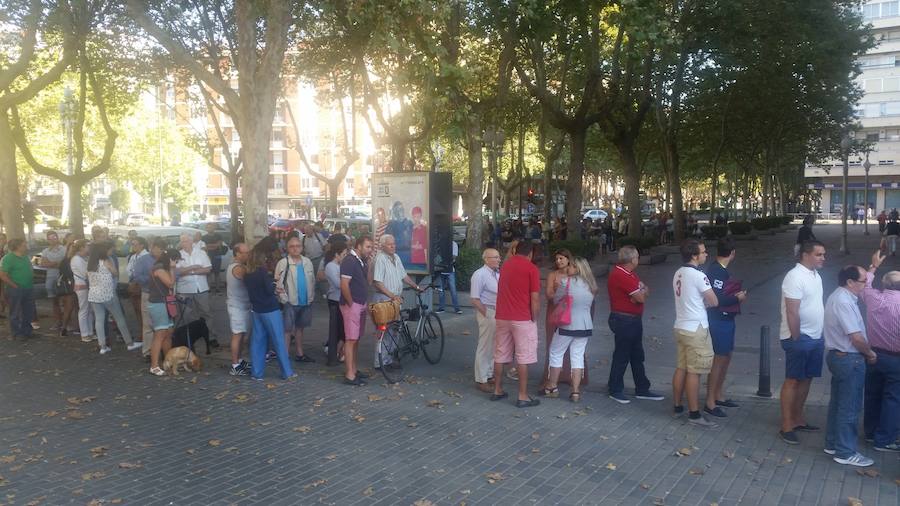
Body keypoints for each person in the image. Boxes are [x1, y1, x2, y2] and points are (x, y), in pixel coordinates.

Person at [822, 265, 877, 467]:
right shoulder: (844, 301)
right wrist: (869, 353)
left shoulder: (841, 296)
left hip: (840, 357)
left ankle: (832, 443)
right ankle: (845, 452)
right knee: (850, 407)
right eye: (863, 281)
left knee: (838, 403)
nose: (866, 285)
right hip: (849, 359)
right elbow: (855, 337)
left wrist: (873, 268)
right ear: (850, 282)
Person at [778, 240, 826, 445]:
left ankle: (798, 418)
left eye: (823, 254)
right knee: (793, 380)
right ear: (806, 255)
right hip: (799, 337)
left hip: (816, 336)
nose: (823, 258)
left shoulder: (816, 275)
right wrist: (796, 337)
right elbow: (792, 311)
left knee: (807, 378)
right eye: (819, 254)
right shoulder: (794, 276)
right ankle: (786, 425)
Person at [699, 237, 749, 418]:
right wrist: (738, 298)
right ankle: (710, 401)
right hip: (718, 320)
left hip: (726, 319)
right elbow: (717, 299)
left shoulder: (719, 270)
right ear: (733, 253)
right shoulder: (717, 272)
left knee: (726, 357)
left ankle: (718, 395)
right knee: (718, 361)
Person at [671, 239, 719, 427]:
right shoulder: (699, 275)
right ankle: (694, 413)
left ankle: (677, 406)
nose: (706, 254)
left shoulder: (678, 273)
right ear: (694, 255)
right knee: (695, 371)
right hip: (696, 328)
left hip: (680, 325)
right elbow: (713, 301)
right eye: (703, 252)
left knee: (681, 367)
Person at [607, 245, 663, 403]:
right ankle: (615, 388)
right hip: (624, 319)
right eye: (637, 257)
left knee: (637, 355)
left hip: (632, 319)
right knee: (622, 355)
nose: (638, 259)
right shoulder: (621, 275)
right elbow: (641, 298)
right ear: (632, 259)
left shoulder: (629, 274)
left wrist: (641, 292)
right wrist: (640, 293)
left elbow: (645, 292)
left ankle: (642, 388)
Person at [540, 257, 597, 402]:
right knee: (577, 357)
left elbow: (557, 299)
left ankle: (552, 386)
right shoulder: (591, 285)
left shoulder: (566, 282)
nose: (568, 268)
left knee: (556, 352)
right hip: (585, 326)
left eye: (571, 266)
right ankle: (575, 391)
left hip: (567, 324)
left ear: (577, 268)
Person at [492, 240, 541, 408]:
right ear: (530, 253)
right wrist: (535, 317)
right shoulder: (531, 268)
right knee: (523, 357)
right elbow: (534, 298)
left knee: (500, 354)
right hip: (522, 318)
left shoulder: (505, 266)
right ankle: (522, 395)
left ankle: (497, 389)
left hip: (502, 316)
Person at [859, 251, 900, 453]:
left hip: (872, 355)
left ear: (884, 285)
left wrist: (873, 266)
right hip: (895, 359)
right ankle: (885, 440)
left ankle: (870, 432)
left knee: (872, 394)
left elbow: (865, 285)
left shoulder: (872, 297)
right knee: (893, 398)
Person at [244, 245, 295, 381]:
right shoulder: (262, 272)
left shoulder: (247, 274)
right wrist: (275, 281)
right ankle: (287, 371)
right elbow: (268, 289)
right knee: (278, 340)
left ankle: (257, 373)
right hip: (270, 309)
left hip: (256, 309)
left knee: (257, 341)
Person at [371, 234, 421, 368]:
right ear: (382, 246)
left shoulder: (396, 257)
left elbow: (404, 276)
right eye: (389, 244)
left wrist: (416, 286)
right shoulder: (380, 259)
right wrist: (392, 295)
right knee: (383, 331)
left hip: (394, 300)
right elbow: (378, 282)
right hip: (384, 299)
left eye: (394, 243)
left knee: (395, 330)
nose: (393, 246)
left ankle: (390, 358)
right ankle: (380, 362)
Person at [87, 242, 141, 355]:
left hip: (93, 294)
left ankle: (102, 346)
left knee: (99, 319)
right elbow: (116, 273)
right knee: (119, 318)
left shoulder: (91, 263)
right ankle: (129, 343)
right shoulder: (106, 261)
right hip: (107, 293)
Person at [275, 237, 316, 363]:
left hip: (306, 302)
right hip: (290, 302)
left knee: (300, 328)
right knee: (287, 330)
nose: (295, 248)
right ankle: (285, 356)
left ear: (302, 248)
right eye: (292, 246)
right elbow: (278, 284)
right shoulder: (283, 263)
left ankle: (300, 353)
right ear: (287, 249)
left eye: (298, 246)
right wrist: (284, 299)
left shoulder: (307, 262)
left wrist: (311, 297)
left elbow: (312, 280)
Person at [340, 235, 374, 385]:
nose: (370, 250)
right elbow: (344, 284)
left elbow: (368, 282)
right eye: (368, 247)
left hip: (360, 303)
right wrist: (351, 303)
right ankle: (349, 374)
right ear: (358, 246)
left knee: (356, 339)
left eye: (371, 247)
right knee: (350, 339)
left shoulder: (362, 261)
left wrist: (370, 265)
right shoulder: (349, 260)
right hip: (352, 305)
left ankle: (353, 369)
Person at [175, 233, 218, 346]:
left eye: (186, 241)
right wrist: (194, 267)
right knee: (187, 315)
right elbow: (177, 272)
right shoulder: (178, 255)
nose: (184, 243)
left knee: (206, 313)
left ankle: (211, 336)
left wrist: (188, 272)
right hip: (184, 289)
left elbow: (208, 269)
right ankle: (190, 337)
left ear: (191, 242)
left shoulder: (201, 253)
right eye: (182, 241)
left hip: (201, 287)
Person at [470, 248, 500, 393]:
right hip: (488, 312)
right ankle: (481, 379)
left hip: (497, 312)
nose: (498, 259)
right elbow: (475, 298)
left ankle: (489, 374)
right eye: (495, 257)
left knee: (493, 345)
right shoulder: (479, 275)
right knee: (485, 345)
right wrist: (487, 313)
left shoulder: (496, 274)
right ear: (486, 259)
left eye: (498, 257)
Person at [147, 249, 179, 376]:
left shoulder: (162, 268)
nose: (177, 263)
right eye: (176, 260)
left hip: (165, 303)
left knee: (168, 333)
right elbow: (171, 284)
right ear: (171, 259)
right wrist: (172, 269)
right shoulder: (159, 269)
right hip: (158, 304)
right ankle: (154, 366)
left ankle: (168, 360)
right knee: (159, 334)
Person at [319, 239, 348, 366]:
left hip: (341, 299)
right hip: (334, 300)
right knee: (337, 328)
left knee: (342, 328)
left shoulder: (340, 265)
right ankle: (333, 351)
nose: (345, 257)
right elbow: (338, 284)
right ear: (337, 254)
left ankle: (338, 351)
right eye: (344, 254)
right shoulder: (331, 266)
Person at [225, 243, 252, 376]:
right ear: (237, 254)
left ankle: (239, 360)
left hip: (244, 305)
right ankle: (235, 365)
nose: (248, 255)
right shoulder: (237, 268)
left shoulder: (240, 266)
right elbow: (250, 278)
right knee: (237, 334)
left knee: (242, 335)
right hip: (236, 306)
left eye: (248, 252)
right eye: (245, 253)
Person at [0, 238, 35, 338]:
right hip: (15, 289)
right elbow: (3, 275)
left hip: (28, 287)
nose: (26, 246)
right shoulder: (8, 258)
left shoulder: (25, 257)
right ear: (17, 246)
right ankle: (17, 333)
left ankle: (27, 331)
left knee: (28, 311)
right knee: (15, 312)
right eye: (24, 244)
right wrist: (14, 285)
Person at [132, 238, 159, 357]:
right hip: (147, 293)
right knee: (147, 324)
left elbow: (175, 273)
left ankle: (161, 348)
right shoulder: (143, 260)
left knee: (162, 324)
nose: (153, 249)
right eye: (152, 247)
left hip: (163, 295)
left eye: (156, 247)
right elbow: (137, 276)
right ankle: (147, 351)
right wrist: (153, 279)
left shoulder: (165, 258)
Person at [126, 236, 150, 349]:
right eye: (132, 244)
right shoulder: (133, 256)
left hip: (142, 285)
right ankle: (142, 332)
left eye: (135, 244)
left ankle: (144, 335)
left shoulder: (146, 256)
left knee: (143, 311)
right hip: (134, 283)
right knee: (136, 310)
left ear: (142, 245)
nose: (133, 246)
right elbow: (129, 269)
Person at [40, 230, 66, 331]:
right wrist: (55, 263)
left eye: (54, 238)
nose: (53, 240)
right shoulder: (45, 251)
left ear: (57, 238)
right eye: (50, 238)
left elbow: (63, 264)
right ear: (48, 240)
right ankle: (57, 321)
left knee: (65, 301)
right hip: (50, 278)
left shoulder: (63, 249)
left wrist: (50, 263)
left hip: (62, 277)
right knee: (54, 302)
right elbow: (43, 264)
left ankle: (66, 321)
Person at [71, 240, 93, 342]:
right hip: (82, 285)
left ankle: (90, 332)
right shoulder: (76, 259)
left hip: (86, 285)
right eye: (87, 246)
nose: (88, 248)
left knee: (88, 310)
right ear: (81, 248)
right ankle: (84, 333)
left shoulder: (83, 258)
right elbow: (85, 273)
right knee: (84, 309)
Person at [57, 242, 78, 336]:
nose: (73, 249)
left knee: (73, 308)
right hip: (70, 287)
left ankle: (69, 327)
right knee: (69, 308)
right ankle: (64, 327)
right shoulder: (66, 261)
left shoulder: (70, 260)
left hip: (73, 285)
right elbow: (65, 273)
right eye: (72, 248)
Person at [437, 240, 462, 314]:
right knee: (440, 290)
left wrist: (444, 255)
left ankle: (457, 308)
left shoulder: (453, 244)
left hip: (450, 270)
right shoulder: (441, 243)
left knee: (453, 290)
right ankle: (441, 308)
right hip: (440, 269)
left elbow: (454, 257)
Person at [202, 223, 225, 293]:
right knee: (208, 273)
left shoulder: (218, 236)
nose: (209, 228)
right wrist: (214, 246)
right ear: (206, 228)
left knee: (217, 273)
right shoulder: (204, 237)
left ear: (214, 228)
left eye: (211, 227)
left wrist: (209, 246)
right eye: (208, 227)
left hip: (217, 256)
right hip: (207, 257)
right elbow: (204, 247)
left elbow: (219, 245)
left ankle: (218, 288)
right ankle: (208, 288)